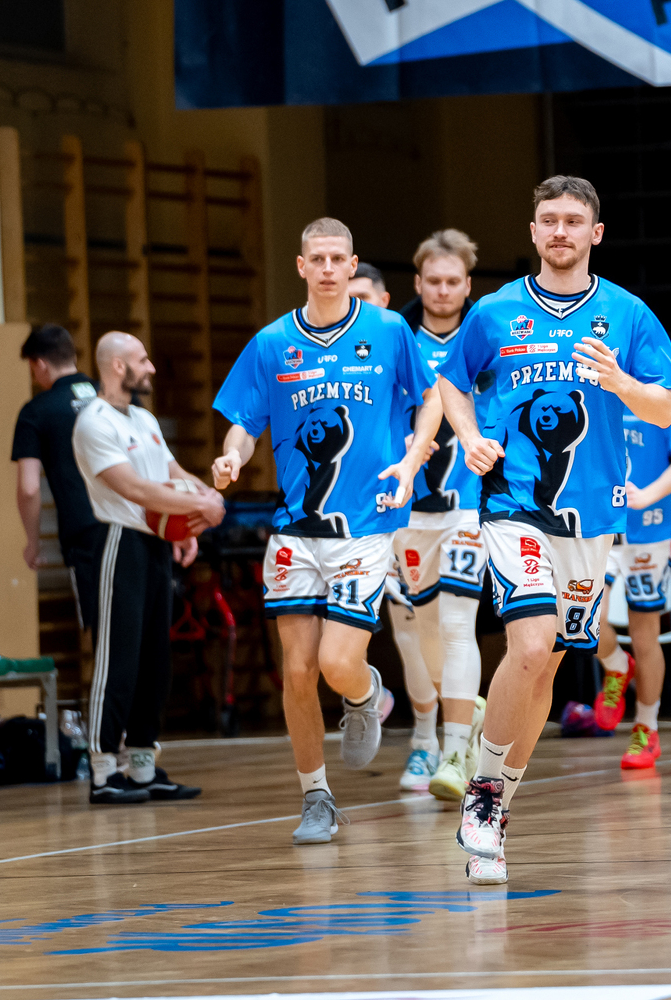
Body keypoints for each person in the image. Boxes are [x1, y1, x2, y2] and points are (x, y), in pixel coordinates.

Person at [438, 175, 671, 885]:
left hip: (593, 516)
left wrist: (621, 384)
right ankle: (483, 790)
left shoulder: (629, 314)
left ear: (595, 233)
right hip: (513, 501)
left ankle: (496, 813)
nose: (560, 231)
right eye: (549, 220)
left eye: (574, 220)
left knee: (545, 665)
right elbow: (451, 381)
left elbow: (664, 409)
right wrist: (469, 436)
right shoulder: (494, 311)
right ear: (534, 231)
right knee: (530, 641)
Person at [211, 217, 441, 846]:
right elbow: (243, 420)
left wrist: (412, 459)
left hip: (366, 522)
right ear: (302, 266)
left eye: (339, 258)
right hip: (296, 526)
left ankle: (365, 695)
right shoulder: (271, 343)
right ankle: (316, 797)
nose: (330, 268)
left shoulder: (388, 331)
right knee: (298, 669)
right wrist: (232, 455)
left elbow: (432, 398)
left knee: (339, 663)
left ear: (352, 263)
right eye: (318, 259)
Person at [71, 331, 225, 803]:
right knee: (118, 658)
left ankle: (142, 766)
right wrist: (202, 508)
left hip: (156, 544)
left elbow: (171, 475)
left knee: (156, 660)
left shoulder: (143, 417)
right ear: (118, 366)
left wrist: (201, 504)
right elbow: (135, 489)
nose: (151, 367)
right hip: (119, 541)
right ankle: (102, 770)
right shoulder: (93, 422)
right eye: (142, 360)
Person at [384, 229, 491, 800]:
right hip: (408, 511)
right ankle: (458, 711)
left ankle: (453, 752)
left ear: (467, 285)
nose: (443, 291)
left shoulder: (487, 335)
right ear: (418, 283)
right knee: (422, 632)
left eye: (453, 281)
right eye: (434, 281)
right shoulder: (394, 338)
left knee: (455, 625)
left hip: (468, 506)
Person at [591, 396, 671, 768]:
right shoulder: (589, 384)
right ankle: (617, 665)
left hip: (649, 528)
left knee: (645, 634)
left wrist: (649, 495)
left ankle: (646, 729)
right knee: (583, 618)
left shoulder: (659, 388)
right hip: (598, 523)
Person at [11, 324, 104, 631]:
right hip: (137, 528)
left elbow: (29, 488)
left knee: (103, 632)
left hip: (86, 533)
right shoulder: (115, 397)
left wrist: (33, 543)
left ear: (39, 364)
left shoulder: (37, 411)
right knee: (144, 635)